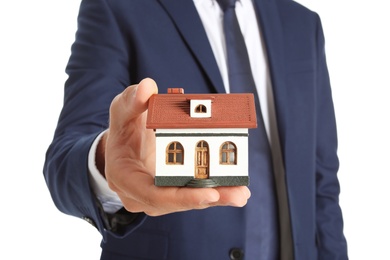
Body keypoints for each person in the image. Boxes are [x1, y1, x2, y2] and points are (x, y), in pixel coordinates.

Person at [43, 0, 348, 259]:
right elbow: (64, 159)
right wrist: (107, 163)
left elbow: (321, 184)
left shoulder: (303, 24)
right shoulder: (118, 6)